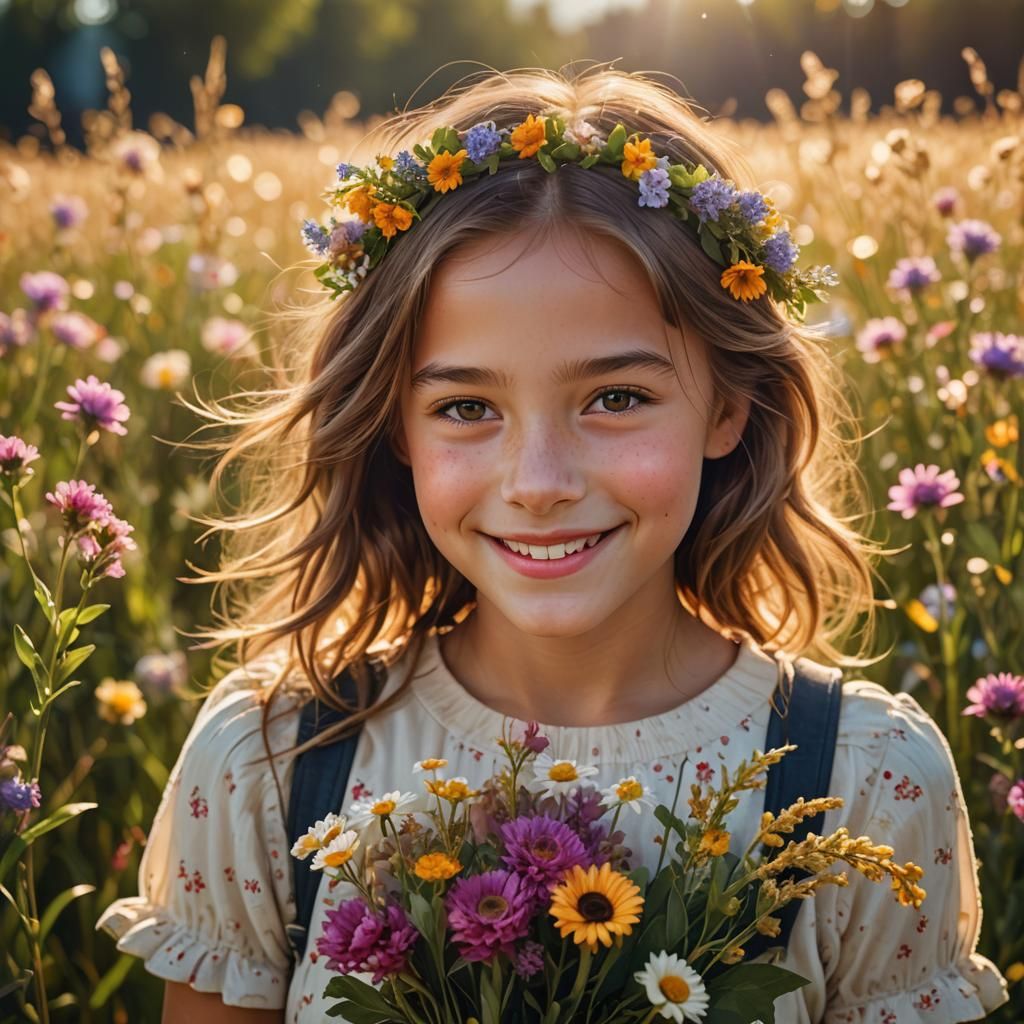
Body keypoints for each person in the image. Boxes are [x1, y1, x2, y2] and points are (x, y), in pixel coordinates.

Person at [96, 66, 1009, 1024]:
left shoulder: (863, 778)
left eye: (616, 399)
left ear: (730, 406)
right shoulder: (271, 760)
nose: (539, 482)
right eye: (466, 407)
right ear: (396, 431)